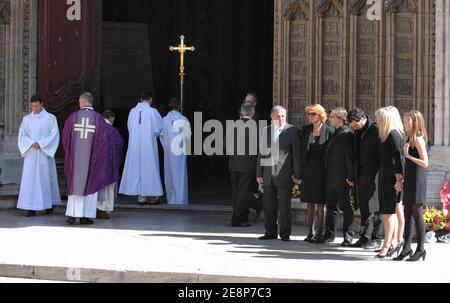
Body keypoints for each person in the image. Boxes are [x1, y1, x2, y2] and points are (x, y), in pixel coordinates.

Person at [62, 92, 112, 225]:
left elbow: (65, 138)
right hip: (93, 161)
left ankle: (73, 215)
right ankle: (85, 215)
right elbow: (104, 140)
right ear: (91, 102)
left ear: (81, 102)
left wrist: (71, 153)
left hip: (76, 161)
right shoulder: (99, 119)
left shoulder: (73, 117)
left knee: (75, 184)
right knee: (91, 183)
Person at [257, 106, 301, 242]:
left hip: (284, 174)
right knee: (268, 205)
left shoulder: (292, 131)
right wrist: (259, 173)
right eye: (278, 116)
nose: (280, 119)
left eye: (283, 116)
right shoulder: (266, 131)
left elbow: (297, 155)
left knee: (284, 206)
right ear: (271, 116)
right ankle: (270, 232)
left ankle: (285, 233)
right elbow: (261, 154)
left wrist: (297, 174)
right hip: (268, 174)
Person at [17, 95, 61, 217]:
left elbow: (54, 135)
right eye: (33, 106)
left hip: (44, 153)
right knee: (30, 180)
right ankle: (31, 207)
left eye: (36, 105)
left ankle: (48, 204)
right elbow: (22, 135)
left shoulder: (51, 118)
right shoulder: (26, 119)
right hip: (31, 154)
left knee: (45, 179)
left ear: (42, 104)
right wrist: (32, 143)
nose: (34, 108)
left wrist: (41, 144)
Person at [394, 110, 429, 262]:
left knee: (417, 214)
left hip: (418, 180)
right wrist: (401, 179)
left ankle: (421, 249)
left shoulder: (418, 139)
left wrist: (408, 156)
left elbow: (425, 163)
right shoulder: (408, 138)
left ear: (414, 122)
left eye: (406, 121)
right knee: (407, 213)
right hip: (409, 179)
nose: (404, 123)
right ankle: (406, 247)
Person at [319, 108, 355, 246]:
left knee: (346, 207)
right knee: (331, 207)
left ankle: (348, 236)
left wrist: (350, 178)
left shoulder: (346, 134)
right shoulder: (335, 133)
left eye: (332, 117)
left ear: (340, 119)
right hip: (331, 178)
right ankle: (329, 234)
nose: (330, 119)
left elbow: (349, 158)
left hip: (342, 179)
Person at [119, 91, 164, 204]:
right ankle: (152, 196)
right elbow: (159, 128)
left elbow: (129, 128)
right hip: (148, 145)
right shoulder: (153, 112)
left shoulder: (132, 112)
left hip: (135, 146)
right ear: (150, 99)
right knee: (149, 168)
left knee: (138, 168)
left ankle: (141, 197)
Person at [347, 108, 383, 249]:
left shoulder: (376, 129)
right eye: (352, 126)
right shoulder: (357, 131)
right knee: (364, 207)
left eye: (355, 125)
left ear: (362, 119)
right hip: (361, 174)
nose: (354, 128)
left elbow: (381, 154)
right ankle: (365, 236)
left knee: (377, 207)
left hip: (375, 175)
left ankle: (377, 238)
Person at [299, 104, 334, 242]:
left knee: (320, 203)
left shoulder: (329, 131)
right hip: (308, 170)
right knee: (310, 202)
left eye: (312, 114)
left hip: (322, 171)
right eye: (308, 114)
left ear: (320, 115)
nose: (309, 116)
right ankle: (310, 232)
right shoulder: (305, 130)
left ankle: (319, 232)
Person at [374, 106, 405, 258]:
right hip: (386, 174)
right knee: (392, 210)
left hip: (391, 177)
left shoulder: (393, 134)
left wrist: (399, 178)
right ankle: (394, 241)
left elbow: (399, 158)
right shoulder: (388, 134)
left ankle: (389, 244)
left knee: (388, 212)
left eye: (379, 118)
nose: (377, 121)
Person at [228, 104, 258, 227]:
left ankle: (242, 217)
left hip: (234, 164)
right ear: (252, 113)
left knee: (236, 193)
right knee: (243, 193)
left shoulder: (233, 125)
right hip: (247, 164)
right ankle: (237, 220)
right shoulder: (254, 126)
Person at [160, 98, 191, 205]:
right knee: (180, 175)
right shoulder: (184, 119)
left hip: (169, 153)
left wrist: (166, 147)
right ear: (179, 106)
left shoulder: (164, 120)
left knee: (170, 175)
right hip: (180, 153)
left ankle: (171, 200)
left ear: (170, 105)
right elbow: (188, 136)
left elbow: (161, 136)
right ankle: (181, 200)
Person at [97, 110, 124, 220]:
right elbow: (119, 144)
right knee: (108, 188)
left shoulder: (96, 128)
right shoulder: (112, 131)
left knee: (98, 187)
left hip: (97, 164)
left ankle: (97, 208)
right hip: (109, 163)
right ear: (111, 118)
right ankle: (104, 210)